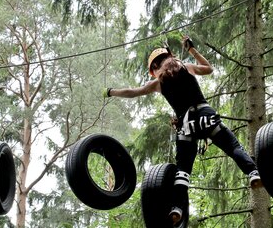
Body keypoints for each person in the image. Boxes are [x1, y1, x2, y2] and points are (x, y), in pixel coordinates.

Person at [103, 36, 260, 225]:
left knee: (183, 171)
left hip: (186, 125)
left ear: (154, 69)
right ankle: (253, 173)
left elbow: (132, 92)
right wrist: (193, 50)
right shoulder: (187, 67)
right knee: (233, 147)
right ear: (170, 56)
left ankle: (177, 208)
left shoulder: (157, 83)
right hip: (206, 116)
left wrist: (111, 91)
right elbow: (209, 68)